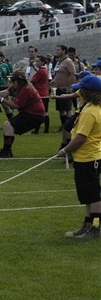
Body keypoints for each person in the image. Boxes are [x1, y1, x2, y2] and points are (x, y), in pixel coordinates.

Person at [57, 75, 101, 239]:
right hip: (84, 157)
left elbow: (81, 138)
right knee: (87, 194)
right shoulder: (89, 107)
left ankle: (95, 228)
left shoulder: (90, 112)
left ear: (88, 92)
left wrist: (65, 150)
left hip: (89, 157)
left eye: (81, 88)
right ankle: (88, 224)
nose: (78, 91)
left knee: (93, 194)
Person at [0, 70, 46, 159]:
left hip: (35, 115)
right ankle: (7, 151)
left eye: (13, 80)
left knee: (9, 126)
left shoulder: (26, 89)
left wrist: (1, 100)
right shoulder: (17, 87)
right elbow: (4, 93)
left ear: (20, 81)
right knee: (7, 125)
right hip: (28, 113)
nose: (12, 82)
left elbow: (16, 105)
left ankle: (6, 151)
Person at [52, 45, 76, 130]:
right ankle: (64, 126)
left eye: (58, 50)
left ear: (64, 51)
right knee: (61, 109)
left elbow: (73, 74)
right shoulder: (59, 62)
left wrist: (70, 87)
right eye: (56, 50)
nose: (57, 51)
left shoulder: (68, 61)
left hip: (66, 89)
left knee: (68, 109)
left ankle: (70, 127)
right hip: (59, 88)